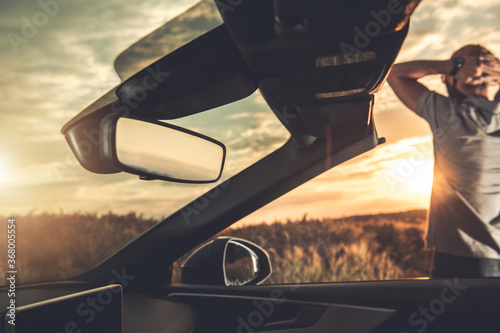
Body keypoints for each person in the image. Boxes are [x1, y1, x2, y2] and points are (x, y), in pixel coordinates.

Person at [387, 44, 500, 278]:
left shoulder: (451, 115)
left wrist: (450, 67)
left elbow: (395, 74)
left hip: (460, 258)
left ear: (450, 80)